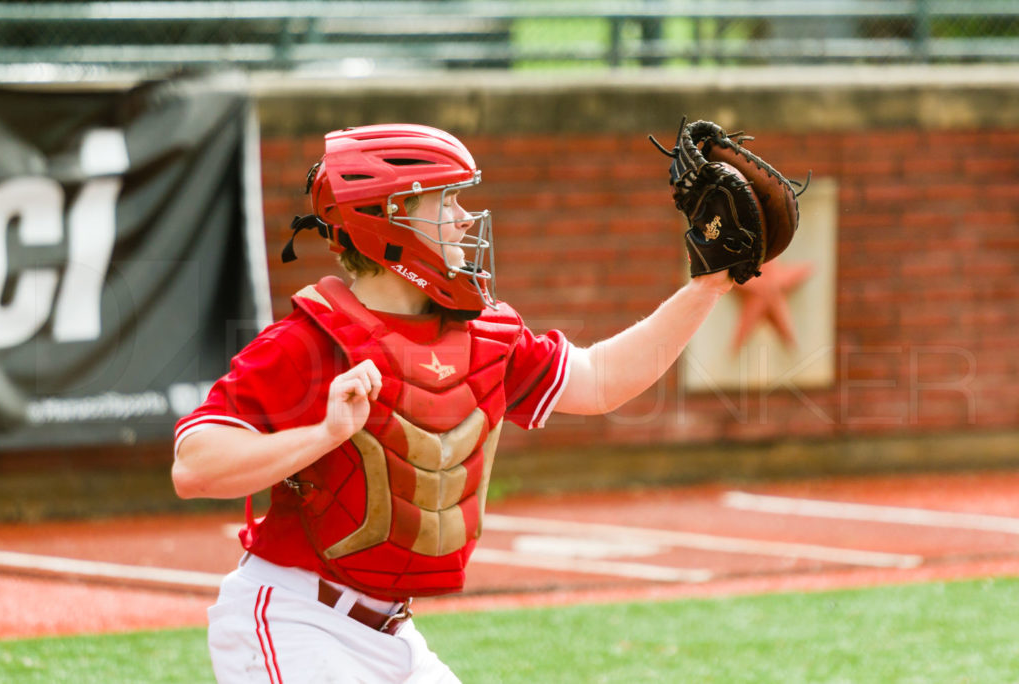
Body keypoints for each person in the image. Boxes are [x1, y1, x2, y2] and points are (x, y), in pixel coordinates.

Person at [172, 123, 733, 683]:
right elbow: (194, 467)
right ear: (384, 219)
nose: (465, 218)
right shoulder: (307, 342)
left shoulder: (480, 333)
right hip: (295, 623)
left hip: (390, 636)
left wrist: (709, 285)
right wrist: (324, 433)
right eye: (445, 200)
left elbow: (602, 381)